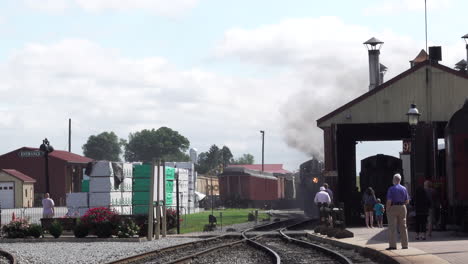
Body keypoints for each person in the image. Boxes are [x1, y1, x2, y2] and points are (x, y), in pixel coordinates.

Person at [386, 174, 410, 250]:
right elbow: (407, 201)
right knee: (403, 226)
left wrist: (387, 209)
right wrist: (402, 205)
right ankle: (405, 245)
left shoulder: (391, 189)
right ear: (400, 180)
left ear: (394, 179)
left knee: (392, 227)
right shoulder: (404, 188)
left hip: (393, 207)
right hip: (403, 207)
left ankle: (393, 245)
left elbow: (389, 201)